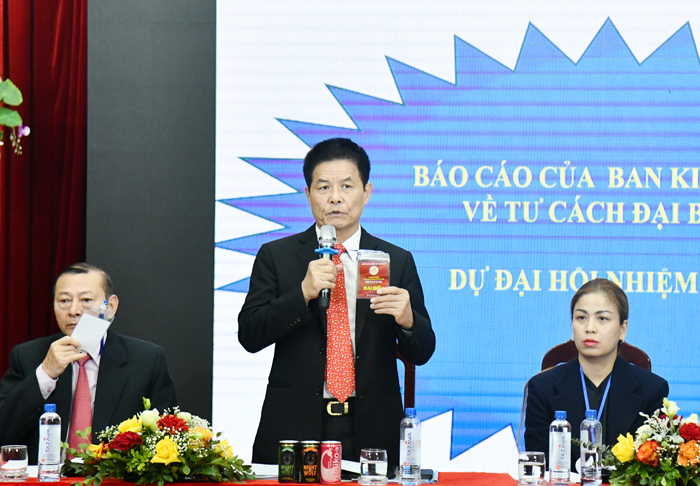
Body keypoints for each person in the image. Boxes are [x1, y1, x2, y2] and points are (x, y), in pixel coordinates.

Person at [238, 138, 435, 473]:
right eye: (323, 187)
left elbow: (423, 350)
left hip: (372, 427)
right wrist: (302, 293)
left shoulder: (395, 260)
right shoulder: (277, 256)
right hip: (295, 425)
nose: (335, 198)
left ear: (366, 192)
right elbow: (250, 335)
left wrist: (407, 321)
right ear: (308, 194)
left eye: (347, 186)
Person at [0, 263, 178, 464]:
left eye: (86, 300)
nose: (74, 310)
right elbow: (4, 432)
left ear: (111, 307)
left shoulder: (147, 360)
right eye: (64, 301)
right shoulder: (28, 356)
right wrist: (45, 374)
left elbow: (168, 438)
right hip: (47, 478)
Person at [525, 278, 668, 469]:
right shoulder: (542, 388)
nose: (589, 328)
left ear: (622, 329)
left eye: (602, 319)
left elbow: (649, 469)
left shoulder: (652, 390)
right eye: (581, 318)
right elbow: (538, 466)